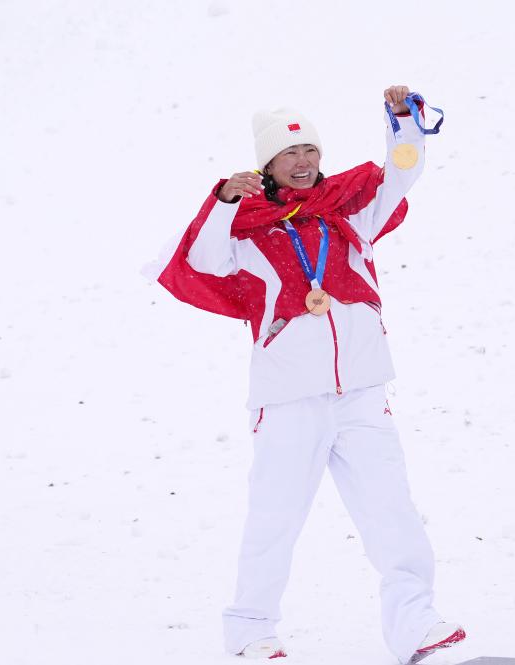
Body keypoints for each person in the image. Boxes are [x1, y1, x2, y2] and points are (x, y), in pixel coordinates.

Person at [157, 86, 464, 663]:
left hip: (362, 393)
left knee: (392, 512)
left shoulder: (348, 208)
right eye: (289, 153)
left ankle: (415, 622)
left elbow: (402, 173)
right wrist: (223, 201)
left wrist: (403, 123)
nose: (303, 162)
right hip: (288, 398)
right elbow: (199, 261)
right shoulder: (245, 228)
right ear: (266, 164)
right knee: (275, 517)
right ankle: (250, 628)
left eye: (310, 150)